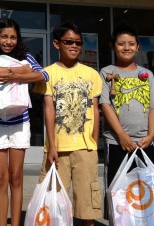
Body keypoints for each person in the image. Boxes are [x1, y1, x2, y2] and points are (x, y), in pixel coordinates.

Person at [0, 19, 48, 226]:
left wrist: (13, 74)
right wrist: (21, 73)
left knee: (16, 177)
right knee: (1, 178)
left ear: (18, 39)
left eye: (12, 37)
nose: (8, 41)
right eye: (4, 36)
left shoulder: (25, 56)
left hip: (20, 122)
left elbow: (43, 75)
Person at [37, 22, 102, 226]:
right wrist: (52, 146)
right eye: (68, 42)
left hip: (85, 147)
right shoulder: (47, 73)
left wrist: (93, 141)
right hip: (58, 149)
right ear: (57, 44)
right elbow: (49, 109)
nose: (74, 46)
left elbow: (95, 110)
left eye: (78, 42)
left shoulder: (92, 74)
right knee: (53, 203)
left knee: (86, 203)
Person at [99, 22, 154, 219]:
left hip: (144, 143)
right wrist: (121, 135)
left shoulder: (147, 74)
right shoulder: (106, 72)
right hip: (117, 143)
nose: (126, 47)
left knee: (145, 193)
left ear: (138, 46)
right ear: (112, 46)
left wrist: (151, 135)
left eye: (131, 43)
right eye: (121, 43)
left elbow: (153, 106)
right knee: (117, 194)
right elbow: (105, 105)